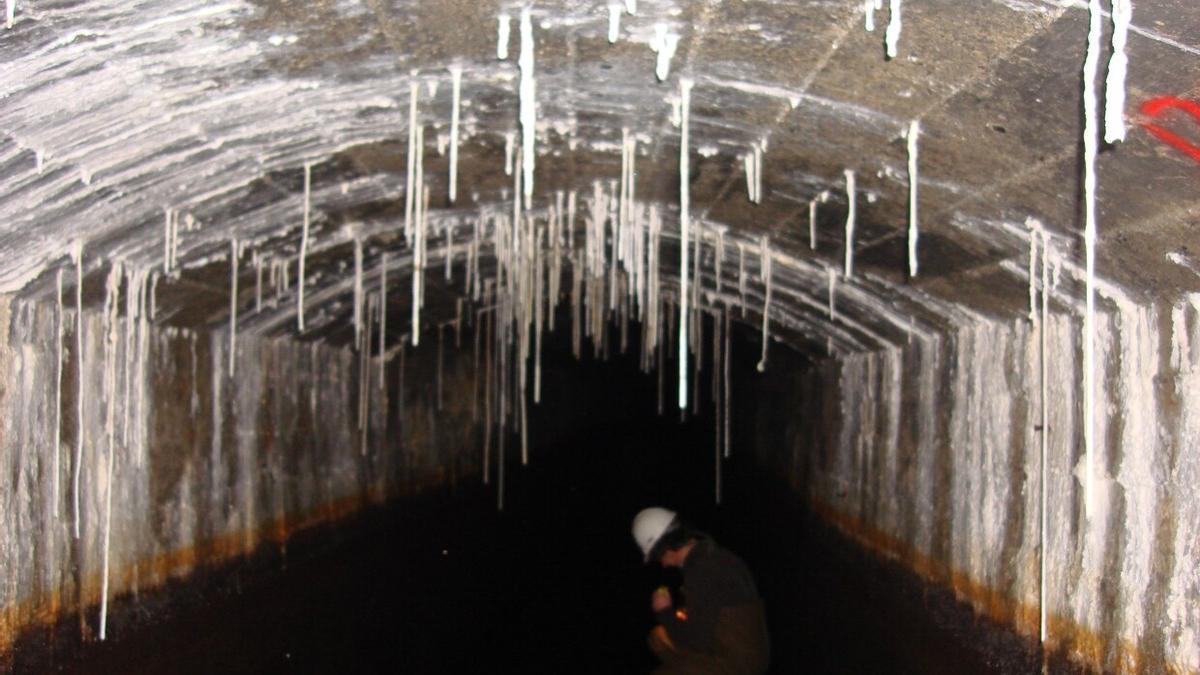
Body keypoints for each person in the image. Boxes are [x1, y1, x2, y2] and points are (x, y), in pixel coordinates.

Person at [631, 507, 770, 675]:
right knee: (657, 637)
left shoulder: (703, 571)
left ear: (665, 548)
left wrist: (664, 611)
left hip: (738, 663)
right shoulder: (707, 555)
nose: (662, 564)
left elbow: (696, 641)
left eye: (657, 557)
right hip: (739, 649)